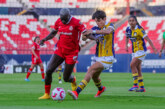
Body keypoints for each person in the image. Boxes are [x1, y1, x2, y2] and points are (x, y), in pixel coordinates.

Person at [38, 8, 86, 99]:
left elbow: (85, 32)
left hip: (71, 53)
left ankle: (73, 80)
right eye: (61, 19)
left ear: (69, 16)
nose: (63, 21)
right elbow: (53, 32)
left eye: (65, 19)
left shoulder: (76, 22)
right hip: (60, 50)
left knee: (66, 78)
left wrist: (94, 37)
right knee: (48, 70)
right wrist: (45, 39)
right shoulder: (59, 21)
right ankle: (47, 94)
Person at [68, 10, 115, 100]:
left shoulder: (110, 25)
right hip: (98, 57)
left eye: (99, 21)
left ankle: (76, 92)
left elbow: (108, 32)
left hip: (108, 57)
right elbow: (84, 37)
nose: (97, 23)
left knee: (90, 70)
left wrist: (94, 32)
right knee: (95, 76)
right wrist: (89, 36)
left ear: (104, 19)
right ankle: (101, 89)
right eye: (96, 21)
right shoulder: (95, 28)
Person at [125, 15, 157, 92]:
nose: (131, 22)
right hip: (134, 51)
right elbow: (127, 37)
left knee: (132, 65)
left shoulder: (140, 29)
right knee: (138, 69)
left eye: (133, 21)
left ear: (136, 21)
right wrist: (126, 45)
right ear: (128, 22)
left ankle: (135, 85)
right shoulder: (128, 29)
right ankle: (142, 88)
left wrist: (154, 48)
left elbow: (148, 39)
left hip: (141, 50)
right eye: (130, 21)